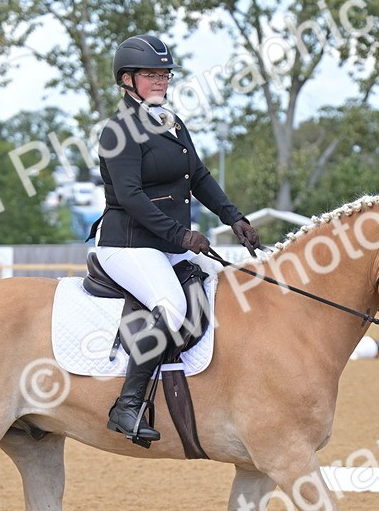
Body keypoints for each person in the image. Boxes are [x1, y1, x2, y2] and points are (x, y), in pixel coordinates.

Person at [93, 34, 260, 444]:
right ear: (127, 80)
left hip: (166, 244)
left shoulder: (169, 122)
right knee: (170, 307)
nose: (161, 80)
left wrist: (233, 216)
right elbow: (130, 196)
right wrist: (181, 235)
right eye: (150, 74)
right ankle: (127, 406)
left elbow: (198, 175)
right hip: (128, 246)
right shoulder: (118, 131)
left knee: (233, 288)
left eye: (165, 73)